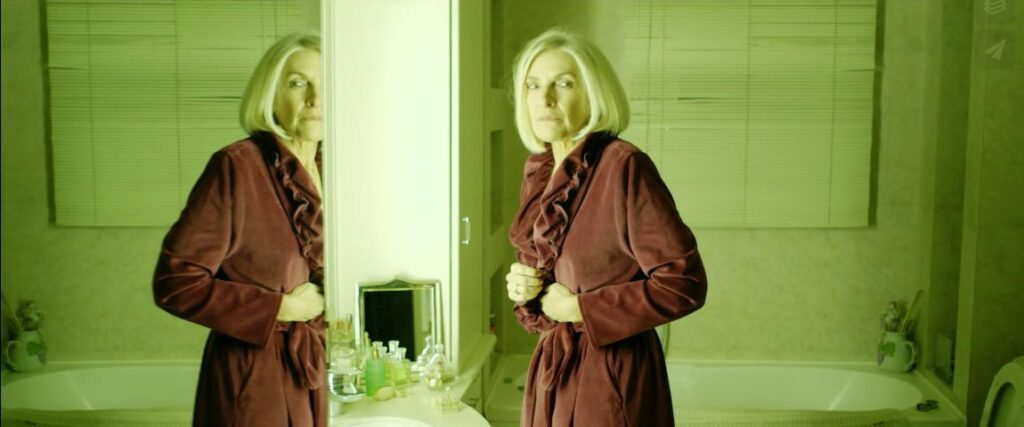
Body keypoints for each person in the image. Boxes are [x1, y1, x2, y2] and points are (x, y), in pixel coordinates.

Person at [506, 28, 708, 426]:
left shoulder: (624, 167)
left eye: (564, 83)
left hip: (610, 378)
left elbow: (683, 284)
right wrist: (525, 288)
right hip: (554, 374)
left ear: (593, 93)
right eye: (533, 85)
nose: (545, 99)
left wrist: (579, 308)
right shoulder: (541, 172)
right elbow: (547, 295)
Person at [153, 32, 327, 427]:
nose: (315, 98)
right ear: (270, 94)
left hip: (311, 372)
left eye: (326, 83)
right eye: (297, 83)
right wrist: (281, 307)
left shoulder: (333, 168)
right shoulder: (237, 167)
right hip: (254, 380)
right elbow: (175, 283)